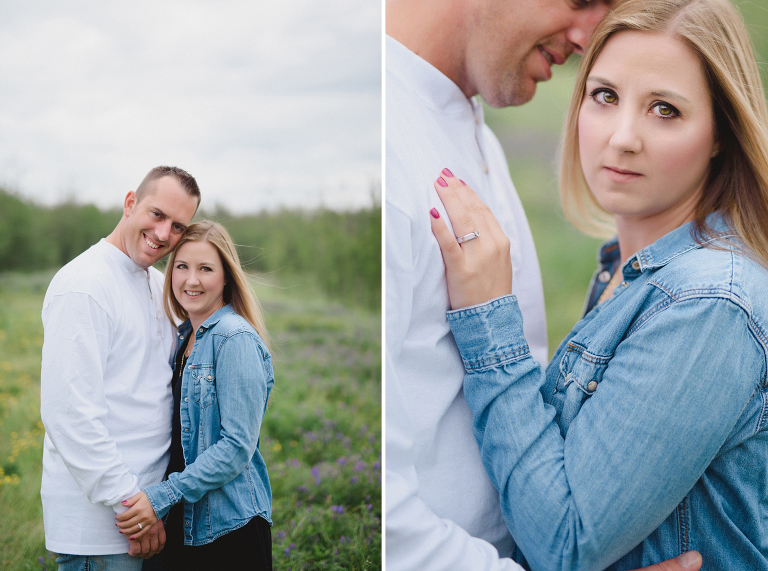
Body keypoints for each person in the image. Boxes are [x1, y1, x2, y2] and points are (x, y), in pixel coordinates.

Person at [429, 0, 768, 568]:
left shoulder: (708, 302)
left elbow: (568, 541)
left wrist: (491, 321)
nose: (623, 138)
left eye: (665, 110)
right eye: (605, 96)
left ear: (719, 134)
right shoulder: (628, 272)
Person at [40, 166, 201, 570]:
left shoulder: (155, 283)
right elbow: (70, 415)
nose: (164, 234)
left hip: (148, 510)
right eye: (157, 215)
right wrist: (132, 506)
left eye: (179, 226)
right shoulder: (85, 285)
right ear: (131, 203)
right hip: (105, 524)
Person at [114, 221, 274, 571]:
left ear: (227, 277)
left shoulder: (234, 339)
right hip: (183, 522)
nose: (192, 280)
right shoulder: (185, 336)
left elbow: (236, 447)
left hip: (228, 530)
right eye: (183, 266)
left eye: (206, 269)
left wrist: (161, 497)